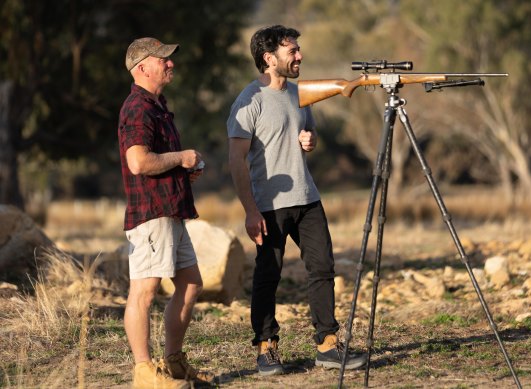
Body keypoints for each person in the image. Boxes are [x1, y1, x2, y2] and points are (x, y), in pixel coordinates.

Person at [227, 25, 366, 376]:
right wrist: (249, 210)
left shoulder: (300, 94)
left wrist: (310, 140)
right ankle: (266, 347)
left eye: (299, 49)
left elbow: (309, 133)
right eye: (293, 51)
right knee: (268, 275)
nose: (300, 56)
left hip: (308, 197)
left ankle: (328, 345)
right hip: (269, 205)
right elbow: (236, 160)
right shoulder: (249, 101)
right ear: (269, 58)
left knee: (323, 268)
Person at [118, 37, 215, 389]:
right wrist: (181, 157)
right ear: (143, 67)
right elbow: (139, 162)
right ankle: (143, 372)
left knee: (191, 284)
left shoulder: (157, 106)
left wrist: (183, 168)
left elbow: (154, 160)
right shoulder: (137, 107)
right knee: (144, 291)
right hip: (152, 214)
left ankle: (173, 363)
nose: (171, 64)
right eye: (164, 59)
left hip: (170, 212)